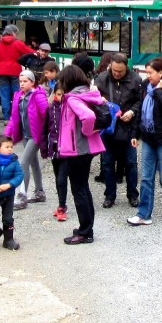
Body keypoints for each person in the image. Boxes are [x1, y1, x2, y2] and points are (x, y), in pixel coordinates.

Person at [55, 65, 107, 245]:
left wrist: (86, 131)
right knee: (83, 187)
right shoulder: (86, 93)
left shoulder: (72, 98)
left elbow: (88, 117)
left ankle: (85, 232)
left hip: (77, 149)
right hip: (87, 149)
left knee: (79, 190)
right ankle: (87, 228)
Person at [127, 57, 162, 226]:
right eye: (146, 72)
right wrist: (135, 134)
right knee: (146, 178)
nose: (148, 75)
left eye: (151, 72)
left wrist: (159, 92)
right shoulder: (144, 86)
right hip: (149, 137)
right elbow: (141, 111)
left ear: (160, 73)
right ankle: (144, 214)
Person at [94, 54, 142, 208]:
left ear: (126, 67)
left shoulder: (136, 80)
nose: (116, 73)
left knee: (131, 163)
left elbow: (140, 101)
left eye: (120, 71)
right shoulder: (102, 78)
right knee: (107, 163)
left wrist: (132, 112)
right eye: (114, 70)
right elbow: (93, 99)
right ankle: (109, 195)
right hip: (108, 127)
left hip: (129, 127)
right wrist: (100, 102)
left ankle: (132, 194)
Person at [4, 69, 48, 208]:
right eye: (20, 81)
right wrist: (7, 134)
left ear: (32, 82)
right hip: (25, 134)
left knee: (23, 163)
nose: (22, 84)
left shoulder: (38, 96)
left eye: (25, 81)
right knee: (33, 163)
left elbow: (46, 114)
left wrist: (47, 134)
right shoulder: (19, 96)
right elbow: (14, 118)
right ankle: (39, 192)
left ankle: (22, 196)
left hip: (36, 135)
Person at [0, 25, 35, 122]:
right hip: (15, 72)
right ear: (13, 32)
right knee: (17, 94)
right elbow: (30, 52)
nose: (17, 35)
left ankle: (7, 117)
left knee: (4, 95)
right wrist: (39, 52)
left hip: (2, 73)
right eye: (16, 33)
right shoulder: (17, 43)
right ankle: (16, 116)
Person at [41, 68, 69, 223]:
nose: (61, 97)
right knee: (57, 176)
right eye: (58, 94)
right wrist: (44, 149)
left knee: (62, 179)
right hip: (54, 148)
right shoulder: (50, 108)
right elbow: (45, 130)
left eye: (63, 94)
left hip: (66, 150)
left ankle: (62, 206)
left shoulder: (70, 108)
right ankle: (61, 203)